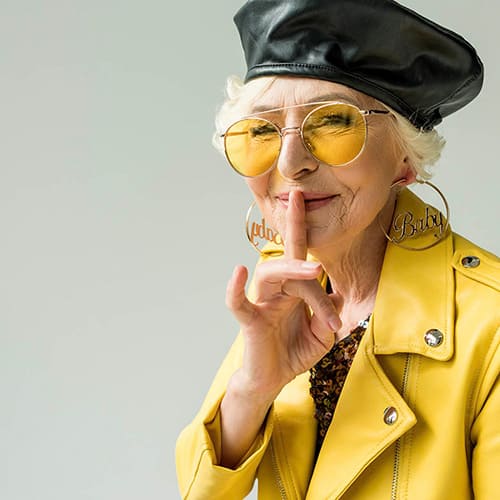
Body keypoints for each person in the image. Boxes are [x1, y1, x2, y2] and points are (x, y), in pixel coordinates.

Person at [176, 0, 500, 498]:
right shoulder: (287, 295)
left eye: (333, 123)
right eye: (261, 130)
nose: (290, 163)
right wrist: (252, 390)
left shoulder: (490, 325)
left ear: (405, 159)